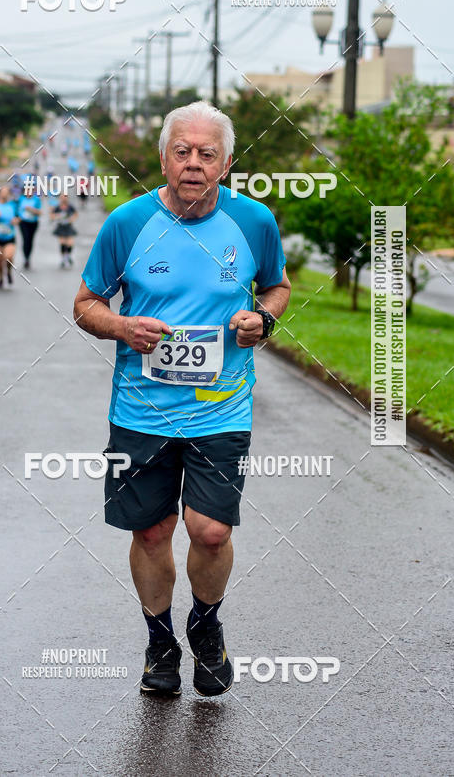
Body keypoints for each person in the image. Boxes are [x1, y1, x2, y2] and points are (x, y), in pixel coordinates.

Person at [73, 101, 291, 698]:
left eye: (207, 153)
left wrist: (263, 322)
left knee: (211, 530)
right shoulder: (127, 223)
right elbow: (86, 303)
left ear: (225, 161)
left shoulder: (254, 223)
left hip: (222, 407)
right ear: (163, 156)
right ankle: (159, 642)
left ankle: (206, 624)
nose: (193, 163)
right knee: (150, 531)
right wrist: (123, 328)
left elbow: (276, 287)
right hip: (140, 412)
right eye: (182, 150)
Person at [17, 179, 42, 269]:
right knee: (25, 239)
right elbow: (16, 210)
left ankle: (28, 257)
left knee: (30, 240)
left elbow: (40, 212)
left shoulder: (36, 199)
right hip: (23, 222)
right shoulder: (20, 199)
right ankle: (25, 258)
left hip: (33, 223)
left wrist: (31, 209)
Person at [51, 194, 78, 268]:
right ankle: (63, 258)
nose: (64, 199)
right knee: (62, 243)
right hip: (61, 227)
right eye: (62, 197)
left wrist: (71, 219)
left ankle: (68, 256)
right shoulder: (57, 207)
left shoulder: (70, 207)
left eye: (65, 197)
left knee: (70, 243)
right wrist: (58, 216)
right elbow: (52, 216)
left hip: (68, 227)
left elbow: (76, 214)